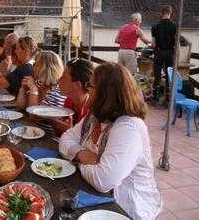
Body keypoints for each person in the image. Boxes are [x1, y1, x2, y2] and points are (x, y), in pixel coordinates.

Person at [59, 63, 162, 220]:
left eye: (90, 85)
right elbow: (66, 138)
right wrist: (81, 153)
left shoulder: (128, 128)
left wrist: (77, 160)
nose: (87, 89)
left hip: (126, 209)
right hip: (96, 198)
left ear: (105, 94)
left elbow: (103, 181)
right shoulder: (95, 116)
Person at [51, 58, 94, 136]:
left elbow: (87, 145)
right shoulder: (69, 101)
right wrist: (55, 124)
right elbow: (60, 134)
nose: (58, 80)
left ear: (77, 85)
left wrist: (69, 132)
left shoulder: (92, 112)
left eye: (63, 77)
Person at [151, 5, 177, 102]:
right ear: (170, 13)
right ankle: (167, 98)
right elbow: (176, 43)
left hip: (158, 52)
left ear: (161, 13)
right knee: (168, 75)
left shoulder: (155, 26)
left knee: (157, 74)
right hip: (169, 53)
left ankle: (155, 97)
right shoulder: (174, 26)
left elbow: (153, 44)